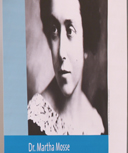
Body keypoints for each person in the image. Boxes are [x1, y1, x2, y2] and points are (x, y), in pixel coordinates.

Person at [28, 0, 104, 135]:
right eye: (54, 30)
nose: (61, 52)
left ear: (86, 41)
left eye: (70, 30)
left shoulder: (95, 124)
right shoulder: (34, 122)